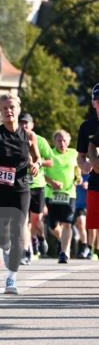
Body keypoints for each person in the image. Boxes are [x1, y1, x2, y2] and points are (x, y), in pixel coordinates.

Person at [0, 94, 40, 294]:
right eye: (4, 108)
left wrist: (36, 164)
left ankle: (11, 278)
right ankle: (4, 248)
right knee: (2, 236)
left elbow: (37, 157)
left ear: (18, 109)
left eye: (11, 107)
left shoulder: (29, 136)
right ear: (0, 111)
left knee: (19, 230)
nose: (8, 111)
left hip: (21, 188)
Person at [18, 112, 53, 263]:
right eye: (22, 123)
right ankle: (26, 251)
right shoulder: (15, 139)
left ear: (32, 125)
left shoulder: (40, 140)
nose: (24, 126)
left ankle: (39, 236)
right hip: (22, 184)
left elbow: (50, 161)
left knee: (36, 218)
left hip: (38, 183)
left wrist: (37, 163)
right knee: (23, 219)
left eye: (27, 123)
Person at [46, 130, 78, 263]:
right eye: (59, 140)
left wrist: (79, 178)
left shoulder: (74, 153)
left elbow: (78, 169)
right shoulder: (49, 154)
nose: (62, 143)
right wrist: (52, 182)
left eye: (64, 140)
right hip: (51, 194)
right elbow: (40, 173)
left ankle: (64, 252)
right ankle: (62, 240)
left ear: (69, 142)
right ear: (54, 142)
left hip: (69, 194)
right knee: (52, 225)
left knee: (67, 223)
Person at [76, 83, 99, 260]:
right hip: (95, 180)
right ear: (93, 103)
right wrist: (84, 165)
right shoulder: (86, 127)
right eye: (98, 101)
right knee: (94, 222)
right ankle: (92, 249)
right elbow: (81, 156)